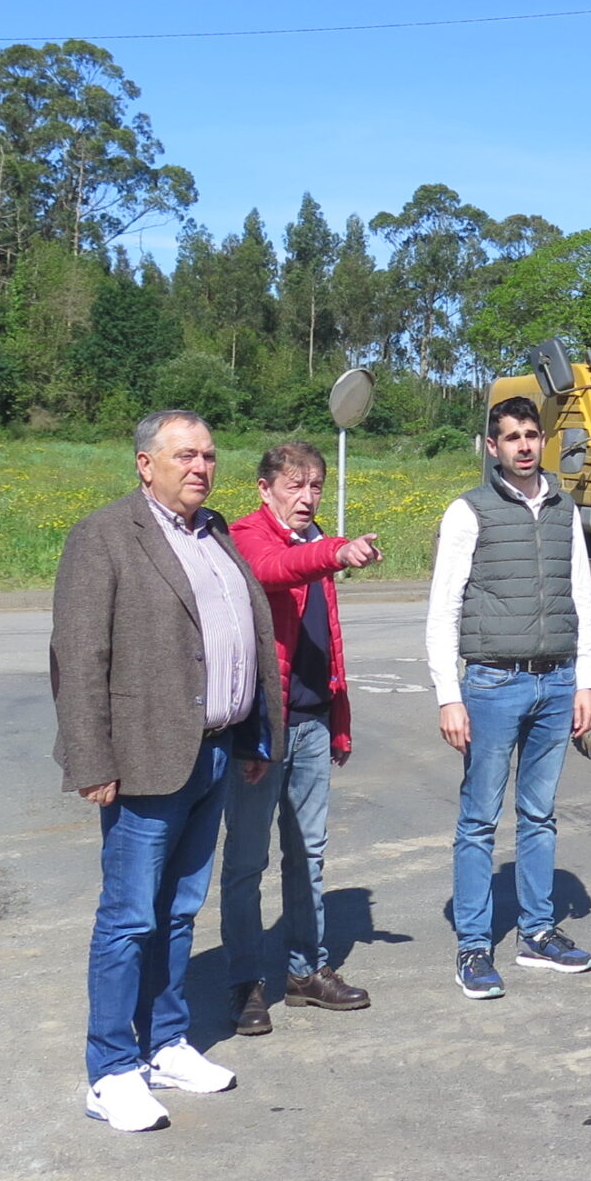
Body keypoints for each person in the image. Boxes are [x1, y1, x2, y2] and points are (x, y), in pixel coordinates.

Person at [51, 408, 281, 1133]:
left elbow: (242, 639)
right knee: (127, 918)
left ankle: (165, 1043)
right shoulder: (104, 536)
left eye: (209, 456)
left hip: (213, 750)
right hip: (143, 757)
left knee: (180, 910)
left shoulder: (214, 533)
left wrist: (250, 737)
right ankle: (111, 1069)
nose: (201, 467)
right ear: (145, 464)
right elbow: (79, 657)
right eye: (184, 455)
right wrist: (92, 758)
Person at [424, 395, 591, 1000]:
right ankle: (473, 947)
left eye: (532, 435)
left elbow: (580, 594)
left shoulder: (564, 509)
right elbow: (443, 608)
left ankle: (537, 932)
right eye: (511, 437)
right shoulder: (467, 512)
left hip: (555, 683)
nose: (524, 446)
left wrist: (587, 680)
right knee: (478, 820)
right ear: (492, 447)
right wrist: (449, 694)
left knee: (539, 814)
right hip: (492, 684)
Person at [223, 439, 382, 1034]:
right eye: (295, 485)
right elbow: (272, 571)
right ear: (265, 489)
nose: (307, 497)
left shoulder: (314, 544)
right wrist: (337, 551)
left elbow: (326, 640)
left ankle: (304, 972)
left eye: (315, 486)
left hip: (313, 724)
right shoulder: (247, 536)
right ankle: (244, 982)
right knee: (245, 861)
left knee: (307, 856)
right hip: (263, 728)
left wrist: (338, 724)